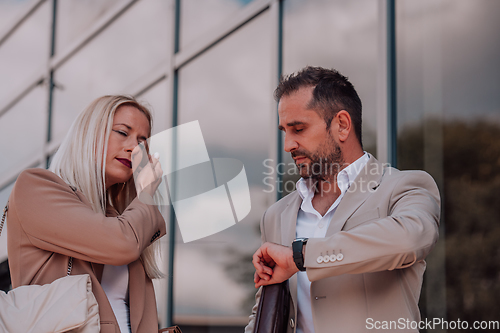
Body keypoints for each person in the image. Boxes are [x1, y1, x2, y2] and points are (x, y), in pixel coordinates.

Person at [246, 67, 440, 333]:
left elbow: (411, 238)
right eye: (284, 131)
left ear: (342, 125)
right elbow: (263, 314)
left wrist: (301, 257)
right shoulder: (276, 215)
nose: (288, 144)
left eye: (299, 129)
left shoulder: (403, 187)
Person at [6, 95, 166, 333]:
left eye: (143, 142)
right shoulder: (36, 188)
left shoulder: (123, 219)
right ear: (89, 134)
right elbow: (120, 243)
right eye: (123, 133)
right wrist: (146, 196)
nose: (134, 149)